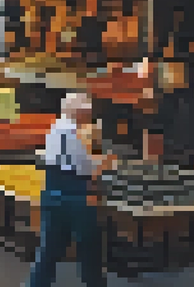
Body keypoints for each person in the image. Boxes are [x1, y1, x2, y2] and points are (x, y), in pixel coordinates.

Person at [28, 92, 110, 287]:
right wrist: (105, 160)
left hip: (52, 193)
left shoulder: (54, 129)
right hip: (78, 196)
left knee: (48, 253)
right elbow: (90, 167)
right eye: (88, 112)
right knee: (90, 252)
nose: (90, 115)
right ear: (79, 112)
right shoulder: (82, 133)